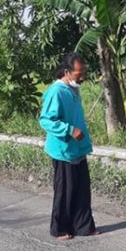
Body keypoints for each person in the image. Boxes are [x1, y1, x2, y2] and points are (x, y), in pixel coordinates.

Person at [39, 53, 99, 240]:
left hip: (78, 148)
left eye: (83, 72)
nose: (82, 76)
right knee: (65, 190)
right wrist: (69, 130)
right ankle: (60, 228)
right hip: (63, 149)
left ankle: (83, 226)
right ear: (67, 72)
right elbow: (46, 120)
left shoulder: (74, 90)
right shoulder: (56, 91)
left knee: (82, 189)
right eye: (78, 73)